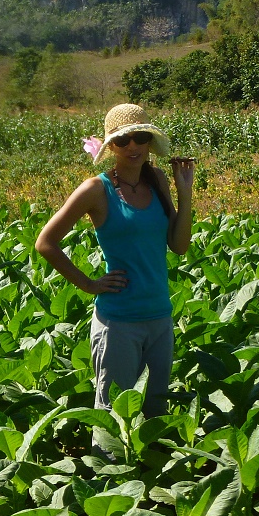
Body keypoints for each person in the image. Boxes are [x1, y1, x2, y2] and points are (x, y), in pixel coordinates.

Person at [35, 103, 194, 419]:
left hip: (159, 317)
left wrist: (185, 193)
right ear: (111, 146)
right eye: (122, 140)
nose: (133, 146)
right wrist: (88, 284)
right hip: (118, 322)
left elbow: (179, 246)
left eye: (140, 137)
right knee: (115, 417)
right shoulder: (96, 189)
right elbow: (45, 243)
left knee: (155, 413)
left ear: (149, 141)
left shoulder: (158, 180)